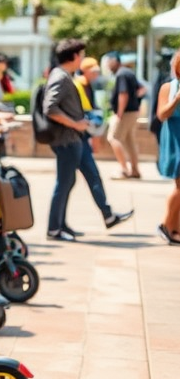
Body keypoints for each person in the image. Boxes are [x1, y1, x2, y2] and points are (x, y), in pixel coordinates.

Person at [44, 40, 133, 241]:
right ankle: (53, 229)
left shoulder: (64, 76)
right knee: (64, 182)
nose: (82, 59)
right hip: (67, 139)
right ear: (75, 56)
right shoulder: (60, 76)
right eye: (82, 55)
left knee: (71, 180)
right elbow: (50, 108)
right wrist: (75, 124)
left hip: (73, 139)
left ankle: (61, 225)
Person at [106, 51, 144, 179]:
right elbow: (142, 89)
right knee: (129, 141)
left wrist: (119, 113)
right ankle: (134, 170)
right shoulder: (128, 73)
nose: (107, 65)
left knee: (113, 138)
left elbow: (123, 94)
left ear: (115, 61)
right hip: (133, 111)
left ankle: (124, 170)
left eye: (108, 61)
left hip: (126, 112)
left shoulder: (121, 74)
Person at [154, 50, 180, 244]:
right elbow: (162, 115)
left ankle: (174, 228)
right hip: (175, 137)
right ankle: (165, 225)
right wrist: (177, 98)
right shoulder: (168, 88)